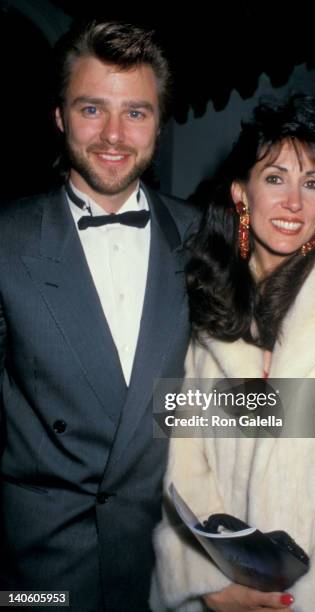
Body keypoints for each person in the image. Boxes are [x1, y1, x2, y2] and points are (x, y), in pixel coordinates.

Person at [152, 95, 315, 611]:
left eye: (311, 183)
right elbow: (184, 459)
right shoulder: (206, 305)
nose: (294, 201)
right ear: (241, 194)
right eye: (275, 178)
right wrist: (212, 585)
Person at [0, 20, 196, 612]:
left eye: (135, 113)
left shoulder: (203, 236)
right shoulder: (6, 241)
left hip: (161, 566)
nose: (114, 135)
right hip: (38, 576)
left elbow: (212, 400)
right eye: (92, 109)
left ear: (159, 124)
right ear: (60, 116)